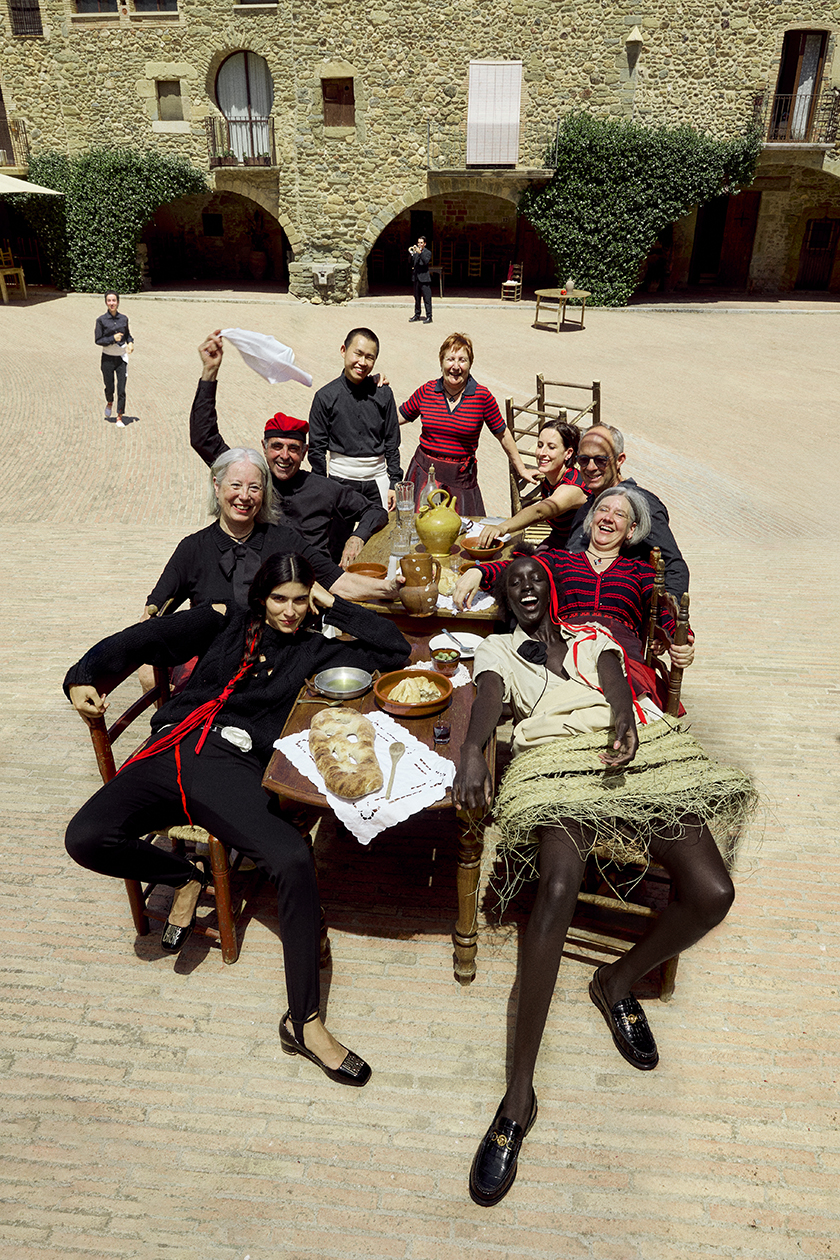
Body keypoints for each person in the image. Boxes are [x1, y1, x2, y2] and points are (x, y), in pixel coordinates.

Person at [453, 555, 747, 1205]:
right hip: (559, 763)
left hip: (633, 746)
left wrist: (622, 717)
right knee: (557, 889)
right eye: (514, 582)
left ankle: (615, 981)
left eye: (536, 579)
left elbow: (616, 679)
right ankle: (516, 1101)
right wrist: (474, 749)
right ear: (504, 598)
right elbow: (492, 701)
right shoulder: (498, 649)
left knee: (712, 893)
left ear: (551, 592)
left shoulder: (590, 633)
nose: (526, 585)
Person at [64, 552, 411, 1087]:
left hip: (229, 769)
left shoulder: (316, 647)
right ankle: (183, 876)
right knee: (85, 837)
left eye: (300, 600)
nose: (290, 611)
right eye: (280, 599)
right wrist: (82, 675)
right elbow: (139, 640)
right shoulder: (224, 618)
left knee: (293, 858)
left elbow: (393, 648)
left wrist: (333, 602)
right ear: (260, 597)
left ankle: (305, 1022)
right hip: (168, 749)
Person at [455, 485, 692, 702]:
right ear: (590, 520)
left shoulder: (639, 571)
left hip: (619, 662)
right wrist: (479, 572)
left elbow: (664, 611)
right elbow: (519, 570)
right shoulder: (560, 560)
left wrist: (682, 642)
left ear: (631, 530)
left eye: (619, 514)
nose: (608, 517)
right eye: (603, 510)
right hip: (564, 657)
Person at [190, 332, 388, 568]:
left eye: (293, 448)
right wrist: (209, 372)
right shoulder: (251, 480)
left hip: (315, 586)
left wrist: (357, 536)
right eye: (276, 447)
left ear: (304, 452)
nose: (284, 456)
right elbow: (203, 437)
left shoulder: (324, 489)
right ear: (263, 448)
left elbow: (375, 511)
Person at [146, 447, 398, 616]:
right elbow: (153, 612)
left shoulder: (283, 540)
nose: (244, 497)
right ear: (216, 485)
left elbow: (339, 582)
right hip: (211, 667)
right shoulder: (192, 548)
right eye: (235, 485)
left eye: (254, 488)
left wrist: (391, 589)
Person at [398, 332, 536, 515]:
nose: (455, 366)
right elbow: (398, 417)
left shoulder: (482, 396)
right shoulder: (427, 391)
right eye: (450, 359)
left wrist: (522, 468)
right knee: (420, 530)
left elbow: (503, 434)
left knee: (461, 535)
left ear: (470, 364)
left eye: (462, 360)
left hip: (460, 481)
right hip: (425, 475)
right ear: (441, 362)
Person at [564, 423, 689, 597]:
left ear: (619, 460)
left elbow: (674, 566)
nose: (591, 467)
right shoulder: (588, 505)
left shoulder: (639, 504)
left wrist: (667, 614)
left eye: (600, 460)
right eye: (584, 460)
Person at [307, 328, 403, 514]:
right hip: (339, 481)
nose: (362, 362)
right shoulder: (325, 397)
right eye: (357, 354)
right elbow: (317, 449)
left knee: (383, 537)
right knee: (337, 541)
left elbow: (392, 442)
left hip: (378, 480)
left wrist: (394, 482)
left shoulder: (383, 393)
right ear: (343, 350)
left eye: (370, 357)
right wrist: (322, 487)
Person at [472, 419, 588, 552]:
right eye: (540, 445)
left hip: (581, 547)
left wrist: (502, 527)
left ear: (568, 453)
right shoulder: (551, 478)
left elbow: (539, 512)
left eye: (551, 447)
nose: (542, 453)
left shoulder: (572, 487)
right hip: (559, 539)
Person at [95, 291, 133, 427]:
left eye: (114, 300)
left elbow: (128, 335)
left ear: (118, 302)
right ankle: (109, 401)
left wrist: (131, 343)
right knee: (109, 386)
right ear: (106, 302)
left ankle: (119, 417)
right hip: (107, 358)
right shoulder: (101, 320)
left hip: (121, 358)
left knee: (121, 388)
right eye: (109, 300)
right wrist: (112, 339)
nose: (112, 303)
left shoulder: (124, 319)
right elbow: (98, 340)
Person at [408, 235, 432, 324]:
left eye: (421, 243)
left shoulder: (427, 252)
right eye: (418, 242)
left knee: (427, 298)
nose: (419, 244)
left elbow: (425, 261)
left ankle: (429, 316)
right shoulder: (415, 253)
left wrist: (420, 253)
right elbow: (410, 262)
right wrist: (411, 254)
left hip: (424, 278)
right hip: (416, 278)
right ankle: (417, 315)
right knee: (417, 298)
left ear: (424, 244)